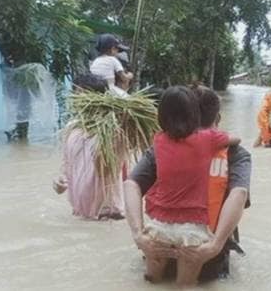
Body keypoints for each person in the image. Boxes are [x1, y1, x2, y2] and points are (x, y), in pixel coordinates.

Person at [125, 85, 251, 286]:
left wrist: (138, 235)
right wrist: (216, 245)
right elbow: (239, 193)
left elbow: (131, 184)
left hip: (156, 245)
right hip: (203, 252)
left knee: (151, 283)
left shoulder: (160, 144)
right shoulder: (235, 153)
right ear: (216, 119)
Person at [53, 74, 125, 220]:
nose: (78, 102)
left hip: (108, 214)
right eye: (76, 96)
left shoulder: (113, 130)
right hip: (80, 212)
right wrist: (59, 183)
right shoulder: (71, 128)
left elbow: (111, 167)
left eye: (83, 97)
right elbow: (67, 167)